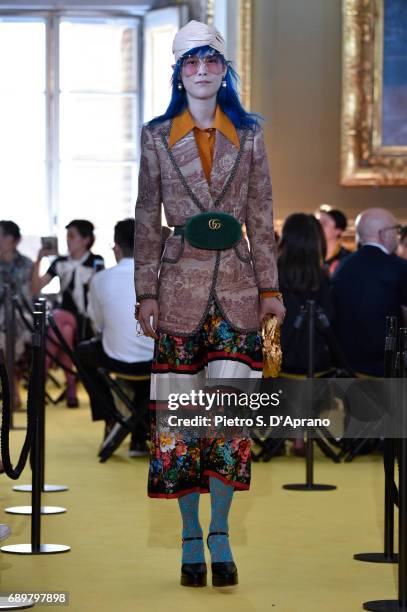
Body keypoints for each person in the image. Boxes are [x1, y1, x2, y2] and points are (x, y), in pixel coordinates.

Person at [134, 20, 284, 588]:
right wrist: (145, 292)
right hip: (175, 294)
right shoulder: (155, 136)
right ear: (178, 72)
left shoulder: (249, 136)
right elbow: (147, 219)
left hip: (239, 295)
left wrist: (271, 290)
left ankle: (219, 533)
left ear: (225, 72)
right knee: (178, 424)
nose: (201, 71)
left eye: (211, 62)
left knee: (227, 423)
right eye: (190, 62)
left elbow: (261, 219)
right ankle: (188, 538)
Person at [76, 219, 154, 455]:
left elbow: (97, 326)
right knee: (152, 359)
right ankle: (140, 434)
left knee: (82, 352)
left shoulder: (100, 280)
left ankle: (110, 415)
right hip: (156, 362)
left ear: (116, 247)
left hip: (116, 359)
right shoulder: (160, 276)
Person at [278, 213, 335, 454]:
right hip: (317, 362)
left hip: (279, 359)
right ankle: (303, 436)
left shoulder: (274, 276)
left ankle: (282, 436)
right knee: (312, 361)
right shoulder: (321, 278)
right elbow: (331, 321)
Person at [31, 219, 104, 407]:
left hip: (86, 320)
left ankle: (39, 381)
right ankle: (71, 390)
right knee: (65, 331)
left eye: (72, 236)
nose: (68, 241)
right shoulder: (60, 262)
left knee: (58, 318)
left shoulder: (96, 261)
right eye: (67, 237)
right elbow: (35, 288)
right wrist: (39, 259)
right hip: (65, 320)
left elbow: (100, 294)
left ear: (86, 239)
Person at [332, 208, 407, 377]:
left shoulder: (342, 267)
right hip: (385, 369)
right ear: (384, 234)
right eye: (396, 230)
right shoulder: (398, 268)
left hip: (346, 367)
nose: (398, 236)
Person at [0, 220, 33, 408]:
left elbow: (32, 294)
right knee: (4, 339)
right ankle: (11, 388)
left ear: (13, 239)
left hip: (22, 316)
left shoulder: (27, 264)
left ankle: (11, 388)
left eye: (2, 235)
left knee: (11, 336)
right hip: (2, 317)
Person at [316, 205, 351, 275]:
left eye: (324, 223)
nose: (318, 227)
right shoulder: (310, 256)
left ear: (338, 230)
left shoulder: (347, 259)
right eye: (317, 223)